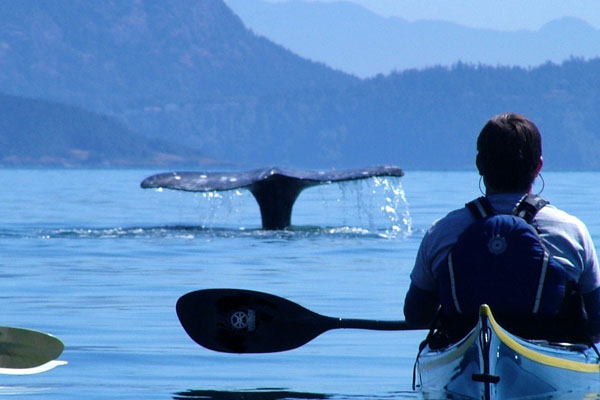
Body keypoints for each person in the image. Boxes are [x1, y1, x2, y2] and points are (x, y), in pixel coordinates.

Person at [403, 112, 600, 343]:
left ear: (479, 165)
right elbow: (596, 325)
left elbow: (416, 316)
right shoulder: (571, 230)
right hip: (547, 360)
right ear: (538, 166)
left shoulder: (441, 232)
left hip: (466, 356)